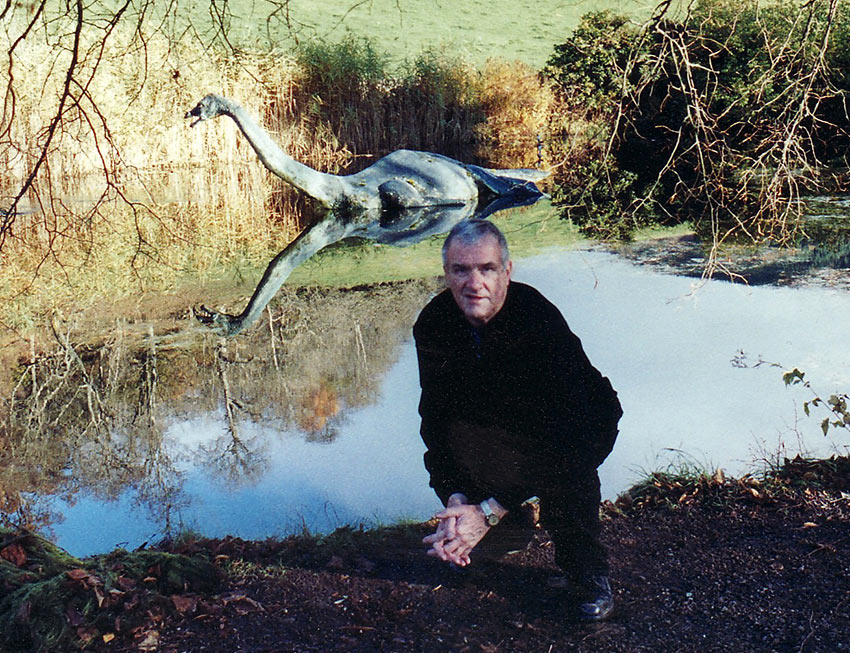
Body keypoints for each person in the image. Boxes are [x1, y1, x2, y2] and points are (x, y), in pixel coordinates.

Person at [413, 219, 622, 621]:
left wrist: (491, 508)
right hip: (502, 421)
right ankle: (508, 526)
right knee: (468, 457)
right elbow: (437, 419)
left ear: (506, 272)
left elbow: (561, 432)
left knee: (567, 474)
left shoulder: (536, 321)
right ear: (447, 274)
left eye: (487, 269)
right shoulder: (434, 323)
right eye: (461, 270)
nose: (474, 283)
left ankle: (588, 574)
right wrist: (455, 499)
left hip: (579, 423)